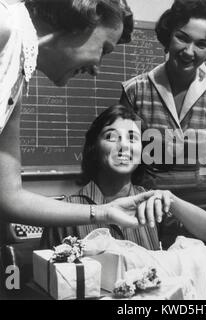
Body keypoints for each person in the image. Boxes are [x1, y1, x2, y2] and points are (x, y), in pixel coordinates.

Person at [0, 0, 167, 245]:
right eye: (104, 49)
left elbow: (8, 197)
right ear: (82, 20)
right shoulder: (6, 27)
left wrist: (104, 211)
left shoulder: (18, 73)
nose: (97, 68)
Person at [120, 0, 206, 251]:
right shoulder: (135, 91)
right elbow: (123, 166)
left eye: (202, 44)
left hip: (202, 224)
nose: (189, 50)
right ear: (168, 36)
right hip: (147, 221)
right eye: (182, 38)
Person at [41, 104, 206, 249]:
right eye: (111, 137)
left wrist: (171, 199)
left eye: (133, 138)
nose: (124, 145)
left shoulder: (151, 204)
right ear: (93, 148)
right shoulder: (67, 210)